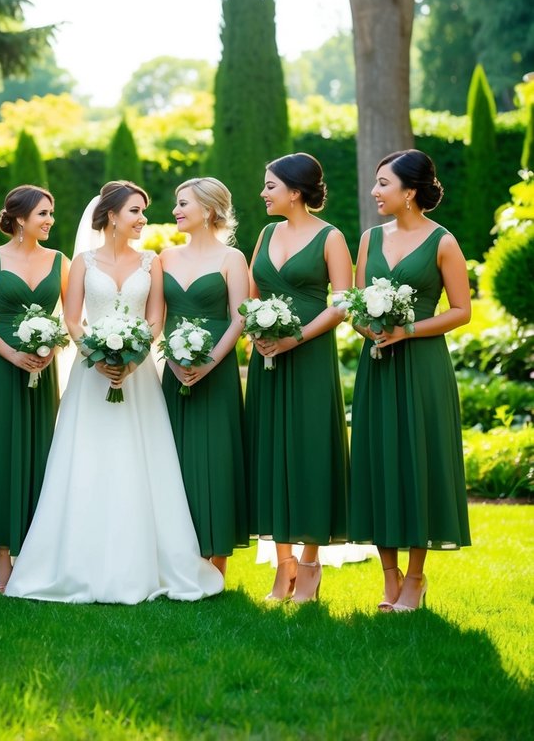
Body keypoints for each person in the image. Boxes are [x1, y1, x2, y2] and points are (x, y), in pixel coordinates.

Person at [5, 181, 224, 603]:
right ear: (110, 216)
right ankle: (75, 564)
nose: (143, 219)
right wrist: (98, 356)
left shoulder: (151, 262)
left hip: (138, 376)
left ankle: (150, 564)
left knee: (142, 461)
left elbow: (156, 318)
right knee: (88, 460)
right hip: (92, 375)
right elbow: (71, 320)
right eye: (135, 212)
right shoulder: (83, 262)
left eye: (143, 211)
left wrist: (133, 357)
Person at [348, 150, 471, 612]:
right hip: (377, 365)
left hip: (422, 368)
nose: (375, 192)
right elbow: (358, 304)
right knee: (379, 461)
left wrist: (407, 330)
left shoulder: (443, 242)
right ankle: (389, 578)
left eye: (383, 184)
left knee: (418, 461)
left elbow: (462, 310)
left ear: (410, 192)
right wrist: (371, 329)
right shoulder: (368, 239)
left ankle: (416, 578)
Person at [245, 153, 353, 603]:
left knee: (310, 450)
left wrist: (296, 339)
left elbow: (344, 302)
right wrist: (259, 331)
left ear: (295, 190)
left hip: (308, 357)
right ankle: (282, 563)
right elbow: (250, 294)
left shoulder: (331, 237)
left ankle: (310, 564)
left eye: (271, 186)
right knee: (270, 450)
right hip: (267, 357)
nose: (264, 193)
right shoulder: (266, 233)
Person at [0, 185, 69, 592]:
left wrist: (52, 346)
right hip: (0, 367)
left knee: (39, 454)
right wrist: (11, 354)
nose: (49, 221)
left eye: (51, 213)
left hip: (42, 371)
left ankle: (35, 550)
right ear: (20, 218)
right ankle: (2, 553)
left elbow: (71, 314)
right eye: (43, 214)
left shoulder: (60, 261)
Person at [160, 177, 250, 578]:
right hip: (173, 369)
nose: (176, 211)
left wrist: (210, 362)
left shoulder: (232, 259)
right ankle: (175, 554)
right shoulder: (163, 257)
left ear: (209, 211)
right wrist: (174, 359)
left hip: (217, 372)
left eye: (183, 204)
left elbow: (240, 318)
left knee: (216, 457)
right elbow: (157, 319)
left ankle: (217, 560)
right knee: (172, 459)